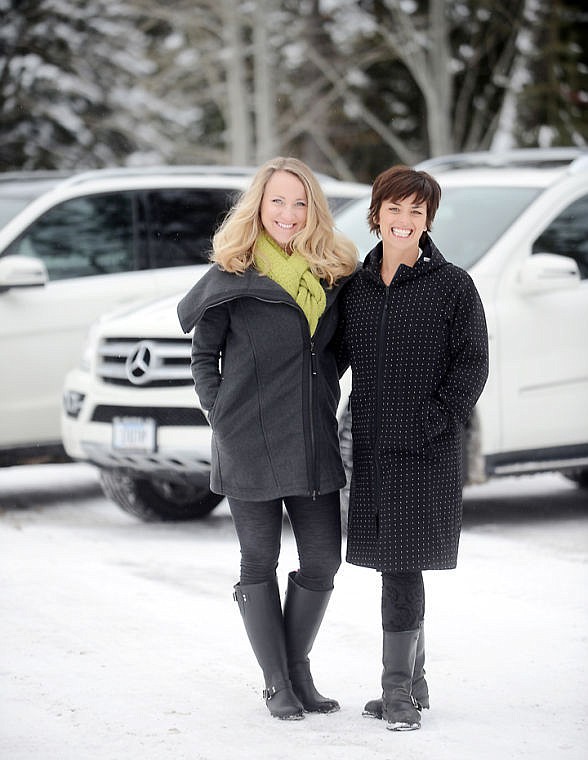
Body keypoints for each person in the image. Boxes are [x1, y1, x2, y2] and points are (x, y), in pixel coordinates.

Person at [177, 157, 358, 721]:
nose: (288, 213)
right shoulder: (234, 272)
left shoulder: (330, 273)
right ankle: (276, 680)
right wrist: (219, 413)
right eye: (277, 201)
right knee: (259, 559)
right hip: (248, 440)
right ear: (258, 206)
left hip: (310, 439)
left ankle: (298, 669)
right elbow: (204, 356)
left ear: (314, 211)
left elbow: (338, 349)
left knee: (324, 560)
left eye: (300, 202)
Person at [336, 165, 489, 731]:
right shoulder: (355, 286)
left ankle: (396, 690)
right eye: (394, 210)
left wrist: (434, 419)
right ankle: (414, 679)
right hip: (373, 446)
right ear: (376, 215)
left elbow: (472, 365)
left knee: (402, 565)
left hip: (428, 448)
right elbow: (329, 359)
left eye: (416, 212)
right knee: (393, 565)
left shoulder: (454, 286)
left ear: (429, 221)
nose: (404, 221)